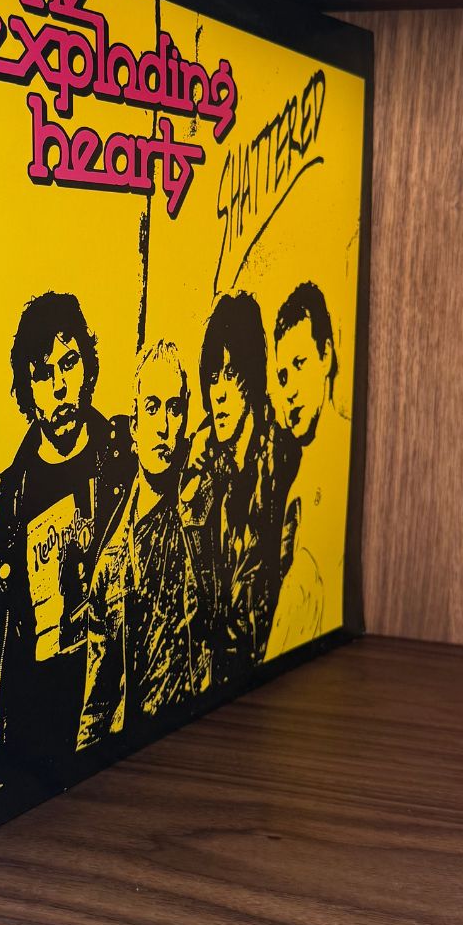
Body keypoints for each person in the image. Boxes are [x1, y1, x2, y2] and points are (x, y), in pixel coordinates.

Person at [0, 292, 133, 803]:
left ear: (88, 366)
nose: (60, 386)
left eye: (69, 363)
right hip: (31, 736)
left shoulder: (127, 461)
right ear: (26, 389)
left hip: (116, 723)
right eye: (42, 374)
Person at [78, 340, 214, 749]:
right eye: (152, 408)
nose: (164, 426)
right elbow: (96, 706)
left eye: (175, 409)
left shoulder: (205, 519)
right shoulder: (110, 561)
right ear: (135, 426)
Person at [180, 291, 298, 685]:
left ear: (253, 375)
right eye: (213, 377)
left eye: (231, 374)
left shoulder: (283, 464)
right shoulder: (201, 476)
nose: (220, 392)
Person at [266, 282, 351, 659]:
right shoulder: (295, 484)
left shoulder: (342, 450)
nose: (290, 390)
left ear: (327, 356)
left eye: (299, 365)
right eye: (283, 376)